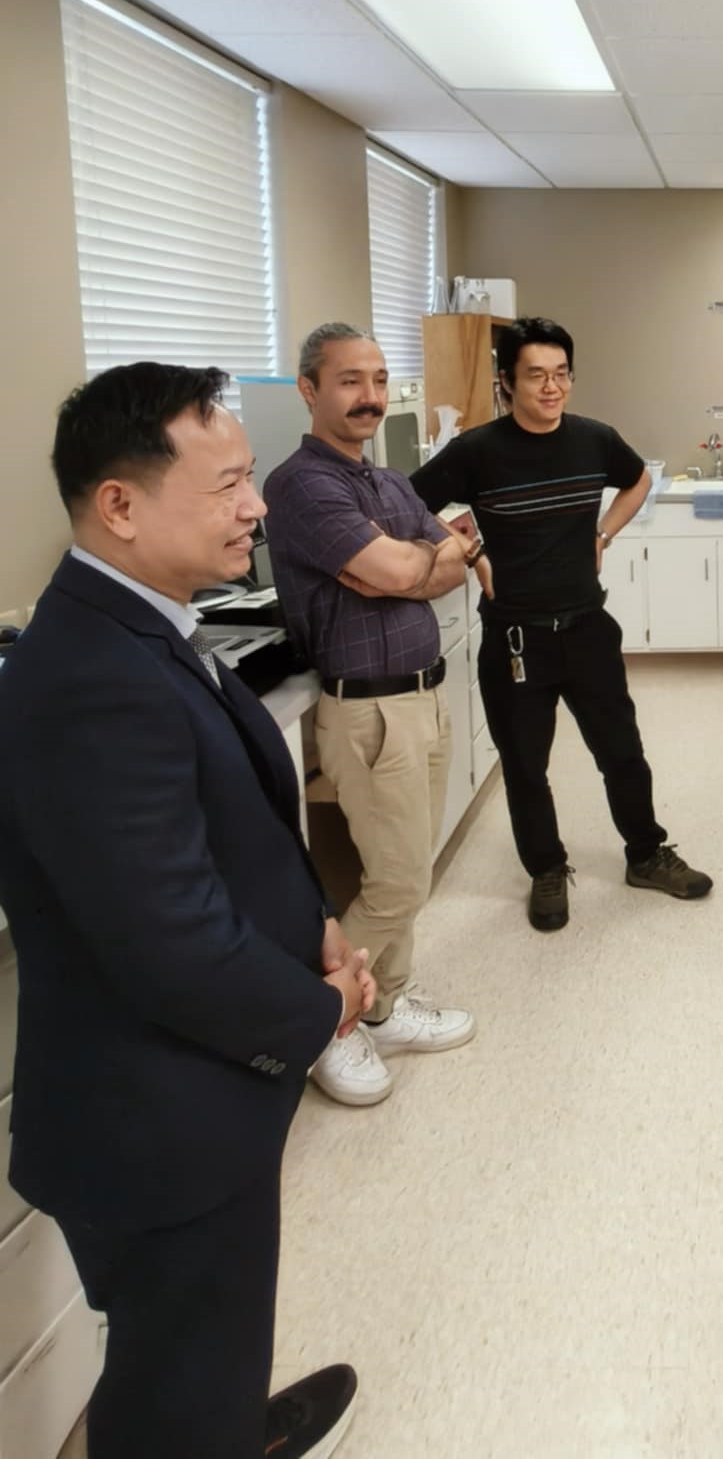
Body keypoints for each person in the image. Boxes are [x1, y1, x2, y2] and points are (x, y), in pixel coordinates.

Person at [0, 364, 364, 1459]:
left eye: (251, 477)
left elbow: (229, 828)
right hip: (156, 1120)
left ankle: (232, 1421)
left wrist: (316, 921)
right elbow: (171, 939)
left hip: (200, 1094)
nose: (256, 506)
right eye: (228, 485)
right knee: (176, 1375)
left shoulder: (146, 624)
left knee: (207, 1344)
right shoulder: (91, 677)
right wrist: (321, 1007)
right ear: (119, 503)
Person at [411, 316, 711, 932]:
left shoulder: (594, 440)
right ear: (506, 382)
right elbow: (403, 503)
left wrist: (603, 533)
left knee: (623, 753)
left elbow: (638, 479)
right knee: (526, 767)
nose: (552, 388)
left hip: (587, 628)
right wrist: (470, 551)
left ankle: (646, 853)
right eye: (536, 376)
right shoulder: (476, 452)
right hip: (516, 638)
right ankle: (546, 869)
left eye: (561, 374)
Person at [262, 324, 480, 1108]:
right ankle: (326, 1024)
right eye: (350, 380)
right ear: (309, 389)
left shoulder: (388, 482)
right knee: (397, 880)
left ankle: (384, 1007)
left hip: (422, 695)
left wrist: (415, 565)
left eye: (380, 379)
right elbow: (411, 562)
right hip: (370, 709)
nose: (371, 396)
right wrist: (415, 562)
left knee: (407, 870)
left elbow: (455, 558)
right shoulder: (300, 485)